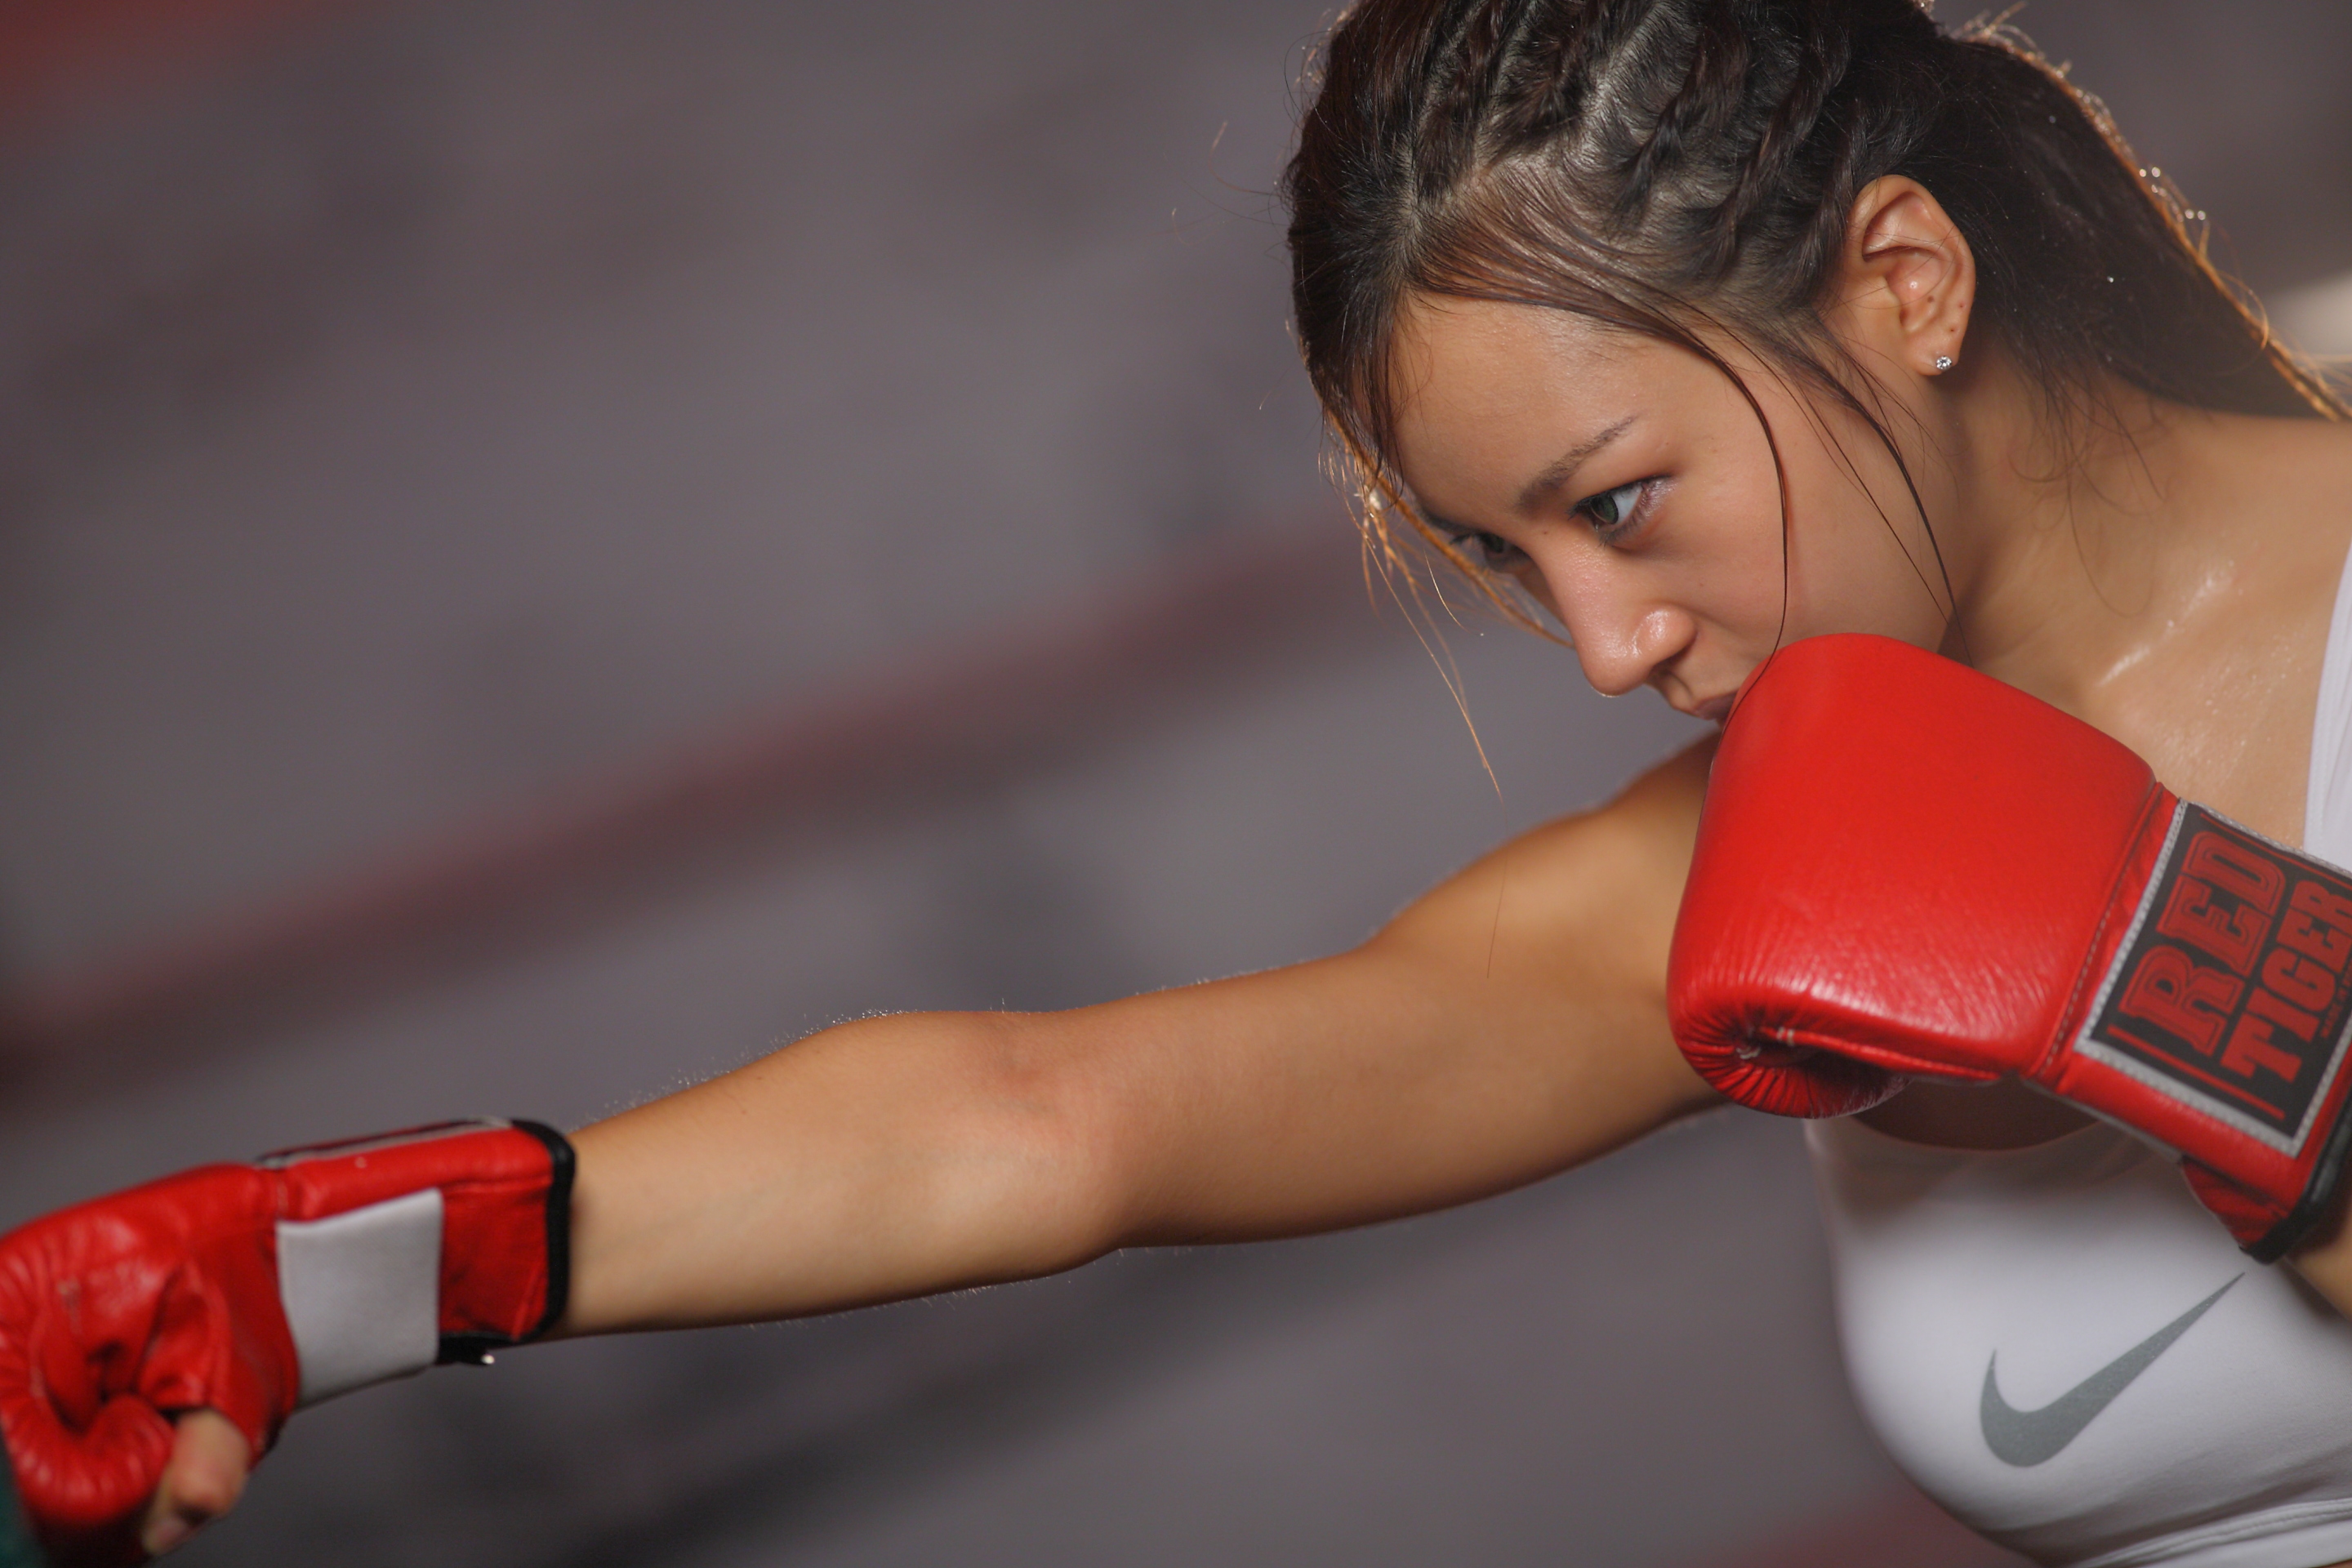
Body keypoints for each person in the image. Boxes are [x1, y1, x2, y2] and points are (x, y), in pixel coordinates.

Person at [9, 0, 2352, 1561]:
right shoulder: (1753, 860)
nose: (1607, 646)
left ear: (1907, 281)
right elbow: (1058, 1119)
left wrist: (2258, 1045)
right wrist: (327, 1276)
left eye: (1623, 501)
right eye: (1505, 555)